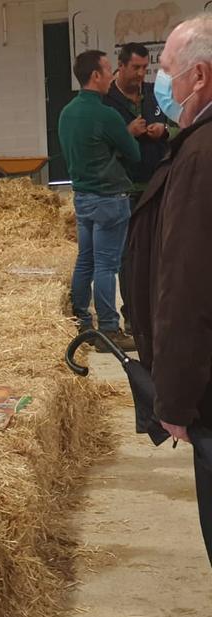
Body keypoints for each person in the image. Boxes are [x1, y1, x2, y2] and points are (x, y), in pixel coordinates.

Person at [127, 13, 212, 447]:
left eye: (166, 70)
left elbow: (185, 284)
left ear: (199, 76)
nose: (162, 83)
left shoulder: (199, 154)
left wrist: (175, 401)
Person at [58, 50, 141, 352]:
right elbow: (134, 153)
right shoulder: (107, 114)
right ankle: (109, 330)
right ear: (95, 75)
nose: (112, 75)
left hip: (82, 197)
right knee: (107, 265)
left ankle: (81, 320)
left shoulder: (67, 113)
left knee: (86, 259)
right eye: (108, 69)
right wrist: (127, 135)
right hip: (109, 198)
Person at [104, 42, 174, 332]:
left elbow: (178, 125)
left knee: (159, 252)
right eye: (136, 68)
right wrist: (127, 133)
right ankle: (132, 314)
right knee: (127, 256)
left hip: (157, 185)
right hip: (124, 188)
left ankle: (157, 313)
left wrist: (165, 131)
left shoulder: (156, 95)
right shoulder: (106, 101)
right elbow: (100, 146)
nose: (141, 74)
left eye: (146, 68)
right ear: (120, 65)